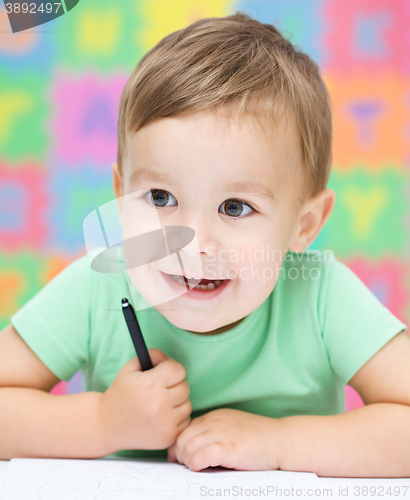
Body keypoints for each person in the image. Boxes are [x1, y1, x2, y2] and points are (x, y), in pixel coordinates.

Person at [1, 12, 409, 477]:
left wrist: (277, 442)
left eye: (235, 207)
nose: (190, 244)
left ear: (305, 223)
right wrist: (103, 423)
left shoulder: (320, 295)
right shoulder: (98, 287)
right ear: (120, 195)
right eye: (160, 198)